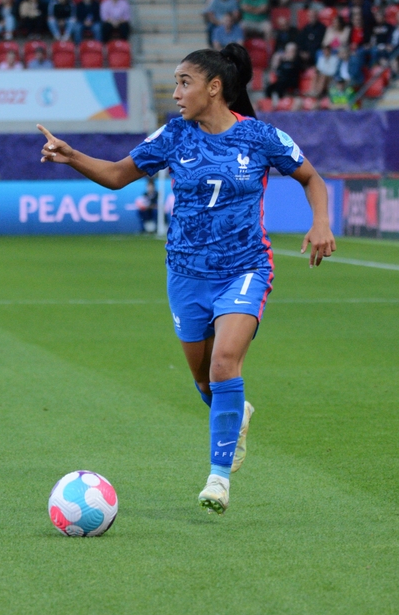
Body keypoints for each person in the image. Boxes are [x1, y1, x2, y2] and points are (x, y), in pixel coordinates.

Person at [36, 43, 334, 515]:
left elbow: (311, 178)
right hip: (186, 275)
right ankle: (235, 416)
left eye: (183, 82)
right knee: (203, 379)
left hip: (245, 267)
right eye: (175, 82)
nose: (175, 92)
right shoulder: (175, 136)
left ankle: (218, 480)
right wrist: (73, 156)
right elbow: (117, 175)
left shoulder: (259, 137)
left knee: (224, 364)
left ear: (214, 88)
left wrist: (320, 222)